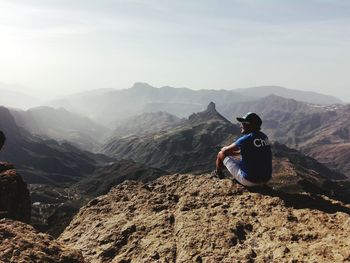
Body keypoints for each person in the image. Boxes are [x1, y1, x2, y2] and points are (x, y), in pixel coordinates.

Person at [212, 112, 272, 187]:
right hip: (266, 179)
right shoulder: (264, 137)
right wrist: (234, 153)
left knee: (221, 154)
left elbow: (225, 151)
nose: (241, 125)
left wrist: (226, 150)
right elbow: (253, 151)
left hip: (250, 181)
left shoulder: (246, 139)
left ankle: (218, 174)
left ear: (250, 125)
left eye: (243, 123)